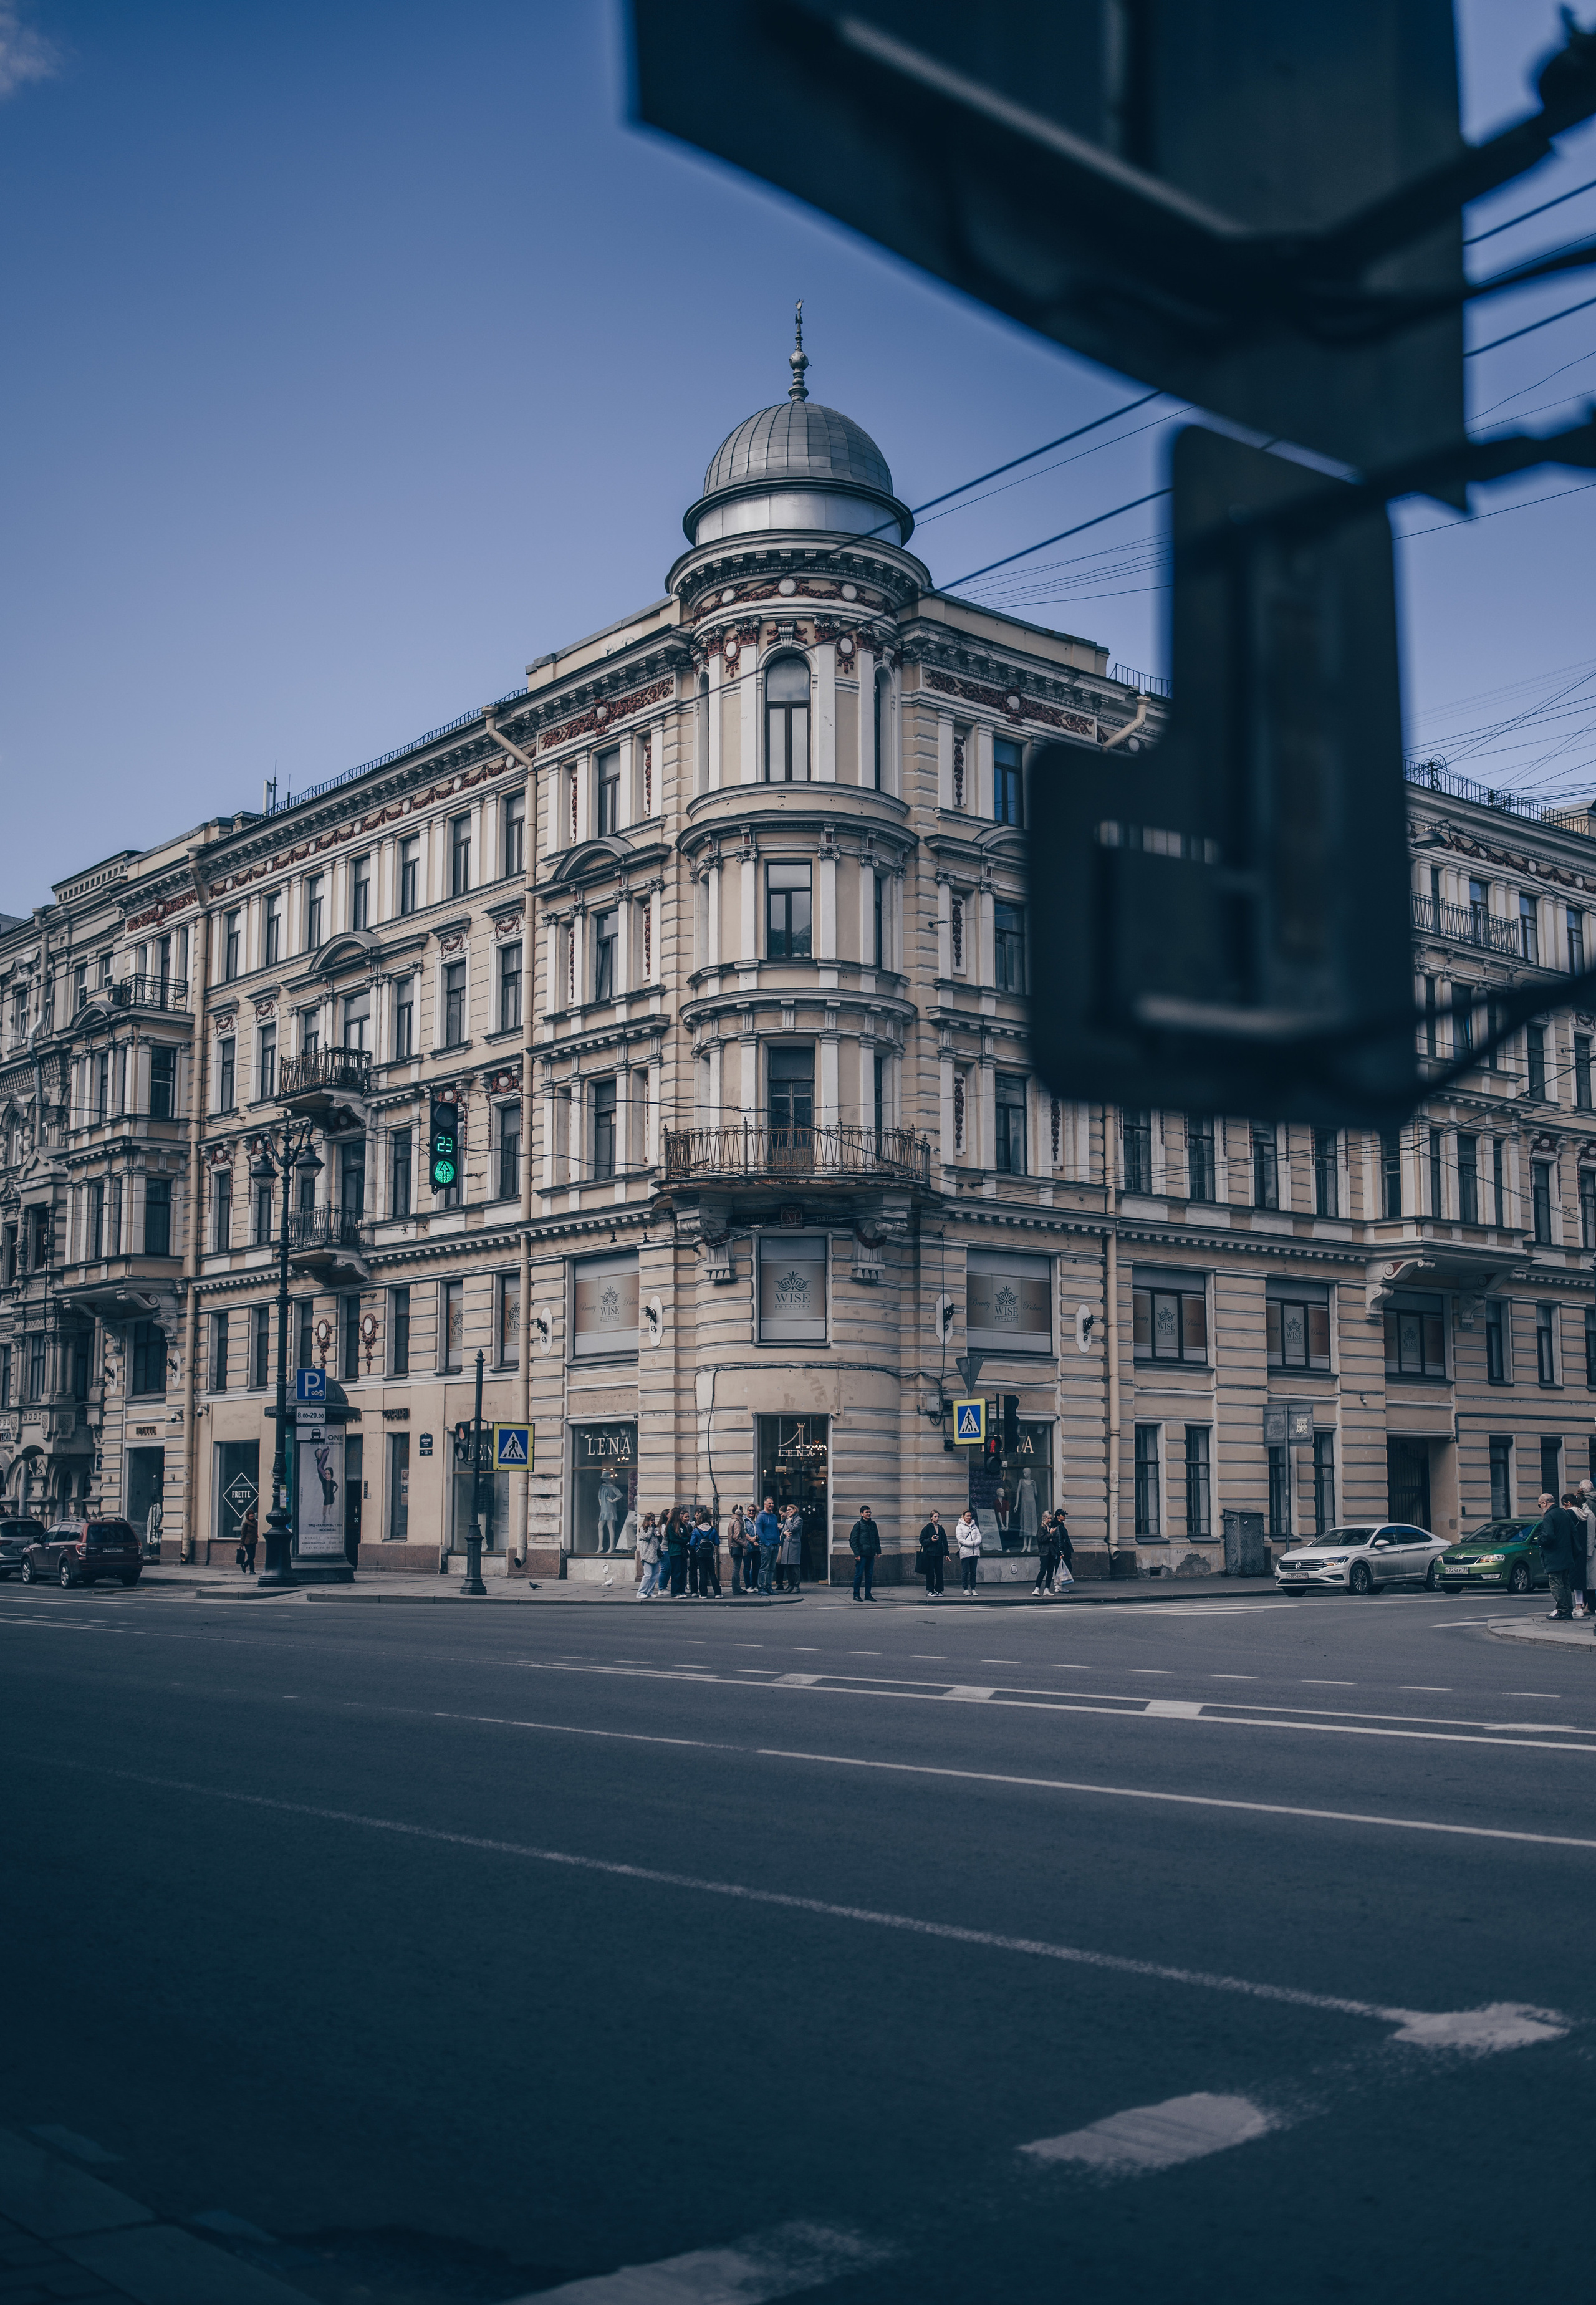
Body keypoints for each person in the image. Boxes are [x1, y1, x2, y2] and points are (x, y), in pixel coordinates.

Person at [1535, 1491, 1584, 1620]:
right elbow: (1574, 1532)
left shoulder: (1549, 1516)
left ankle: (1562, 1610)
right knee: (1565, 1584)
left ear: (1545, 1503)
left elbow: (1548, 1536)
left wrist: (1539, 1539)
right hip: (1566, 1555)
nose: (1541, 1508)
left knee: (1556, 1584)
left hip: (1554, 1556)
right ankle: (1567, 1609)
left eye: (1540, 1505)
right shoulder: (1564, 1513)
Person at [849, 1504, 881, 1600]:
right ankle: (856, 1594)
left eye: (869, 1512)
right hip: (862, 1555)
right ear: (862, 1514)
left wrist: (878, 1551)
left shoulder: (873, 1524)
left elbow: (876, 1538)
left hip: (871, 1554)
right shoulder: (858, 1525)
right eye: (866, 1512)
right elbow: (853, 1541)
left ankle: (868, 1594)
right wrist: (857, 1554)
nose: (869, 1514)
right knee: (859, 1575)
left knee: (869, 1575)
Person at [917, 1509, 948, 1600]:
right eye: (935, 1516)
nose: (937, 1518)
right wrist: (931, 1540)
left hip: (939, 1553)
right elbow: (922, 1540)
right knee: (930, 1572)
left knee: (939, 1572)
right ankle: (931, 1590)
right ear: (931, 1518)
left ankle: (939, 1590)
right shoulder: (927, 1528)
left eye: (938, 1516)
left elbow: (945, 1542)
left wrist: (946, 1553)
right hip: (929, 1554)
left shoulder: (941, 1529)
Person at [693, 1504, 722, 1597]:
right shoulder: (713, 1530)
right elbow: (717, 1542)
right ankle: (718, 1593)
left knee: (703, 1573)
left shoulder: (696, 1530)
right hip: (709, 1554)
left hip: (700, 1554)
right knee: (712, 1573)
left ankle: (703, 1594)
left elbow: (692, 1543)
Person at [755, 1495, 781, 1595]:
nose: (772, 1505)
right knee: (764, 1568)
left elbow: (776, 1529)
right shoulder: (761, 1516)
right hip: (766, 1545)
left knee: (771, 1568)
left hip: (775, 1544)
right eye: (769, 1503)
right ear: (765, 1504)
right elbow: (760, 1532)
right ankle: (762, 1588)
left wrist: (779, 1541)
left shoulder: (774, 1517)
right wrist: (766, 1543)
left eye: (772, 1503)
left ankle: (769, 1587)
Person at [955, 1505, 982, 1597]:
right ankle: (965, 1589)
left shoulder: (975, 1526)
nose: (969, 1518)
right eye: (967, 1516)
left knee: (973, 1572)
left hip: (975, 1552)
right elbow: (960, 1539)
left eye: (970, 1516)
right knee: (965, 1571)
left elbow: (979, 1537)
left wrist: (975, 1543)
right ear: (963, 1517)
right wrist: (972, 1544)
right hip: (965, 1552)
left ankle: (973, 1589)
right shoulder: (960, 1527)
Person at [665, 1506, 691, 1598]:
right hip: (675, 1551)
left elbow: (686, 1536)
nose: (682, 1515)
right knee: (677, 1572)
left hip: (682, 1551)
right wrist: (683, 1540)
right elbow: (674, 1538)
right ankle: (675, 1592)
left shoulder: (682, 1525)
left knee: (683, 1571)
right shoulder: (671, 1525)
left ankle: (682, 1591)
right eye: (680, 1514)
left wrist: (684, 1539)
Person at [1032, 1510, 1059, 1598]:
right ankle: (1037, 1589)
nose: (1050, 1520)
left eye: (1051, 1518)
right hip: (1044, 1552)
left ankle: (1047, 1589)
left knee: (1051, 1572)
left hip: (1052, 1552)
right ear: (1044, 1518)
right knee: (1043, 1571)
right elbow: (1041, 1540)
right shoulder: (1041, 1528)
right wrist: (1050, 1535)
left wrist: (1050, 1537)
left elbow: (1056, 1539)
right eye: (1048, 1518)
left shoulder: (1051, 1527)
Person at [778, 1504, 804, 1595]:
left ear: (795, 1510)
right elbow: (783, 1531)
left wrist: (788, 1521)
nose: (788, 1512)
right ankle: (790, 1585)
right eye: (787, 1510)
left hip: (794, 1546)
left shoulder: (799, 1520)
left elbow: (793, 1529)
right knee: (787, 1566)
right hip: (786, 1545)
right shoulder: (787, 1520)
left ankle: (797, 1586)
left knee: (795, 1567)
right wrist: (784, 1533)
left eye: (790, 1510)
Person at [636, 1512, 661, 1599]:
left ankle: (650, 1592)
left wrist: (659, 1535)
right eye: (651, 1520)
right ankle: (641, 1592)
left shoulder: (654, 1528)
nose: (653, 1522)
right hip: (647, 1555)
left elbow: (658, 1541)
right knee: (648, 1575)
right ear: (647, 1520)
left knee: (655, 1575)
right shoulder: (643, 1529)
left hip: (655, 1555)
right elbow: (647, 1537)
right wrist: (650, 1528)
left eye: (654, 1520)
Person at [238, 1504, 258, 1575]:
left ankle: (245, 1565)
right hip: (247, 1542)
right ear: (248, 1517)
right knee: (250, 1556)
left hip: (254, 1541)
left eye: (253, 1516)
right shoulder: (245, 1524)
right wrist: (241, 1543)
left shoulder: (256, 1523)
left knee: (253, 1556)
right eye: (251, 1516)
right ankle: (252, 1570)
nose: (252, 1517)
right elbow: (243, 1534)